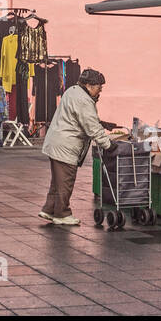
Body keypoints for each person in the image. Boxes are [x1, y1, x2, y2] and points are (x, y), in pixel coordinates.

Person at [39, 68, 112, 226]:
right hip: (66, 145)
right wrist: (108, 144)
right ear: (89, 85)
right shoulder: (84, 100)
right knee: (66, 180)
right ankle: (62, 214)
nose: (100, 90)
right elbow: (91, 125)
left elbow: (79, 118)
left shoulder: (72, 91)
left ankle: (49, 209)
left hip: (57, 142)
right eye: (99, 87)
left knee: (57, 181)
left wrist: (102, 123)